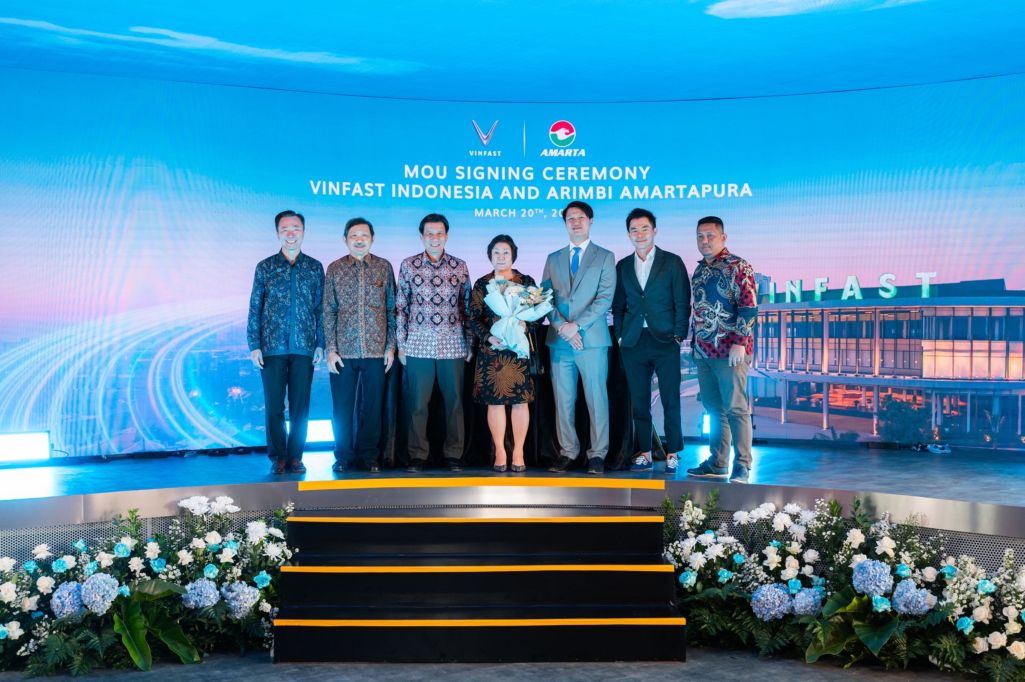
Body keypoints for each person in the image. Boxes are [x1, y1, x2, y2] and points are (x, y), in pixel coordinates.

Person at [611, 208, 691, 475]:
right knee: (639, 401)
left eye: (644, 228)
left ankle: (673, 453)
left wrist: (678, 336)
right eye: (634, 230)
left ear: (654, 230)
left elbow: (682, 302)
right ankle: (644, 452)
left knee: (670, 399)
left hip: (665, 340)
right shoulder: (623, 266)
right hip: (633, 342)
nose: (640, 234)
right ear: (629, 234)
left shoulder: (672, 262)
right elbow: (618, 305)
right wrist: (621, 335)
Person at [542, 201, 617, 474]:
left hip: (592, 340)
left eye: (581, 217)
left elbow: (605, 298)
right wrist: (563, 326)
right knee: (563, 401)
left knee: (596, 399)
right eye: (570, 218)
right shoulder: (553, 258)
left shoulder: (604, 256)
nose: (575, 222)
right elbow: (545, 298)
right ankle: (568, 451)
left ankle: (597, 454)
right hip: (560, 341)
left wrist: (578, 327)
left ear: (590, 221)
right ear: (565, 223)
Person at [247, 210, 324, 475]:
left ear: (303, 232)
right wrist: (254, 344)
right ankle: (278, 457)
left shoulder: (314, 267)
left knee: (300, 406)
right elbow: (255, 307)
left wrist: (321, 343)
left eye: (296, 228)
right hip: (271, 347)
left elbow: (320, 309)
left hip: (304, 347)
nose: (291, 234)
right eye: (285, 229)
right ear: (278, 233)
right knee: (274, 407)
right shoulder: (265, 267)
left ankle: (295, 457)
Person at [396, 213, 473, 472]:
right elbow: (401, 307)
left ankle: (454, 454)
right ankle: (417, 455)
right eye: (429, 234)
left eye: (439, 233)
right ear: (421, 237)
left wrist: (469, 343)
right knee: (417, 405)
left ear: (446, 236)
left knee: (454, 404)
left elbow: (467, 308)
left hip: (453, 345)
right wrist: (402, 344)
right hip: (418, 345)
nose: (434, 238)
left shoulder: (459, 266)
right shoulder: (409, 265)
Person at [686, 216, 758, 484]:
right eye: (700, 236)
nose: (704, 241)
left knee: (736, 409)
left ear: (723, 237)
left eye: (710, 236)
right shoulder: (699, 271)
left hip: (731, 352)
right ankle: (717, 463)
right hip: (704, 352)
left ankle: (742, 465)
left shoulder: (738, 266)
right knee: (714, 409)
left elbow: (749, 308)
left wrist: (740, 342)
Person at [323, 217, 396, 474]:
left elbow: (392, 309)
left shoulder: (384, 267)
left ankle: (369, 456)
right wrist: (330, 349)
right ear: (345, 240)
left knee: (372, 408)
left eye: (364, 235)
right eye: (354, 235)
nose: (359, 240)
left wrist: (391, 346)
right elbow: (328, 311)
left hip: (377, 351)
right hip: (343, 352)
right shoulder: (335, 269)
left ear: (372, 239)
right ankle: (343, 456)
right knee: (342, 409)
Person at [469, 235, 538, 473]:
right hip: (492, 351)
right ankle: (500, 450)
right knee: (495, 403)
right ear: (490, 256)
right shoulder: (482, 284)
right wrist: (488, 337)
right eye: (496, 253)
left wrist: (526, 325)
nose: (501, 257)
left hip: (517, 351)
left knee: (520, 402)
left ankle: (518, 451)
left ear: (513, 255)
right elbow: (473, 318)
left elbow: (537, 314)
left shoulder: (526, 282)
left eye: (505, 252)